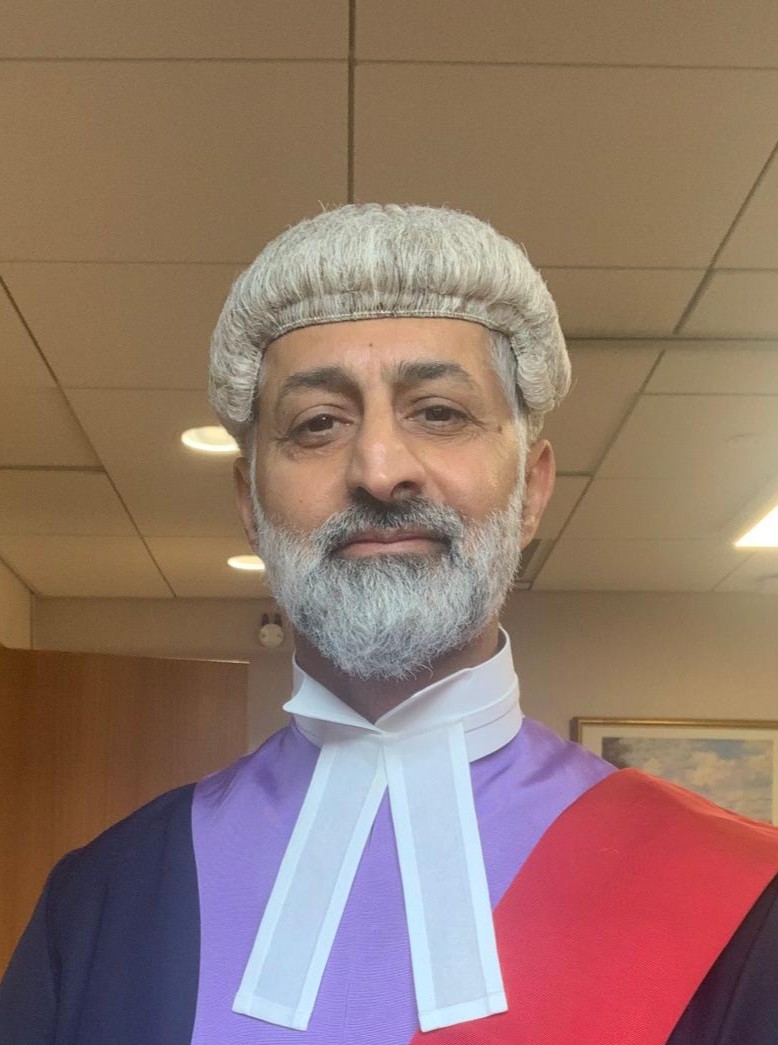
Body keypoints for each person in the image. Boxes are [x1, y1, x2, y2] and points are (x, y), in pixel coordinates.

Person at [2, 204, 777, 1045]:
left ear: (534, 491)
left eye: (439, 411)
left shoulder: (744, 906)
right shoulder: (102, 901)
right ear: (250, 507)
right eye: (317, 424)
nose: (378, 468)